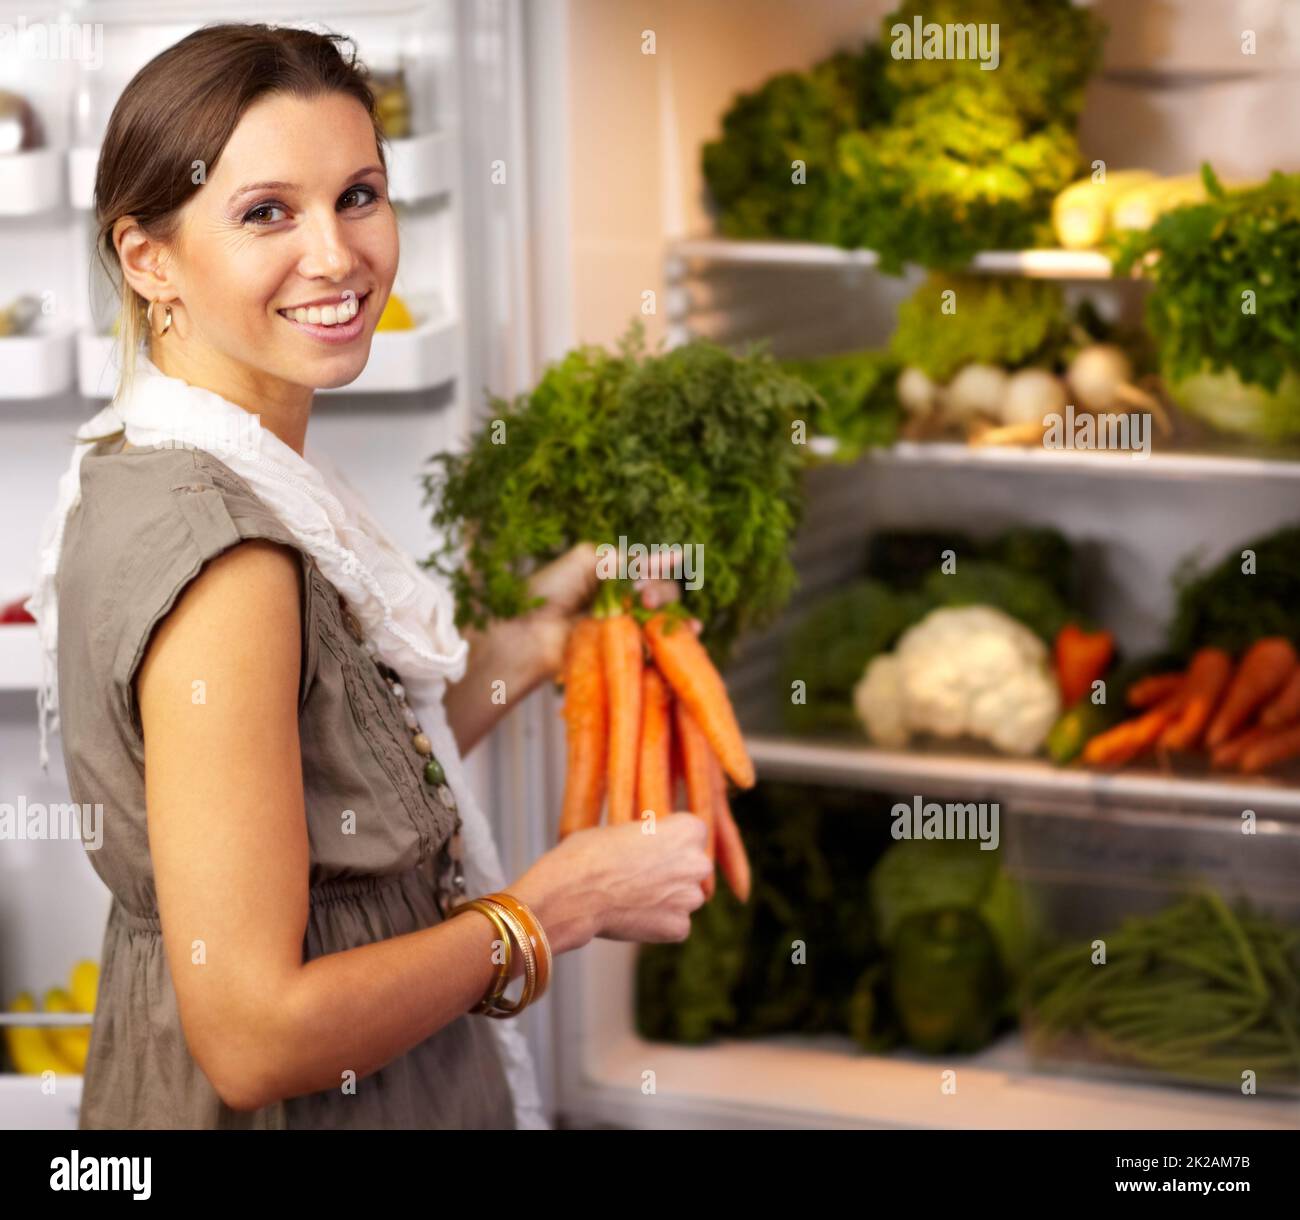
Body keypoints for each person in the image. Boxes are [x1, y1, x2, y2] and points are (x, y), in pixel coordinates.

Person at [26, 22, 709, 1131]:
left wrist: (531, 641)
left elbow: (327, 792)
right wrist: (547, 909)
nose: (338, 255)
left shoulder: (179, 463)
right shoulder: (232, 560)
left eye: (358, 194)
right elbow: (257, 1038)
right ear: (147, 257)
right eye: (265, 213)